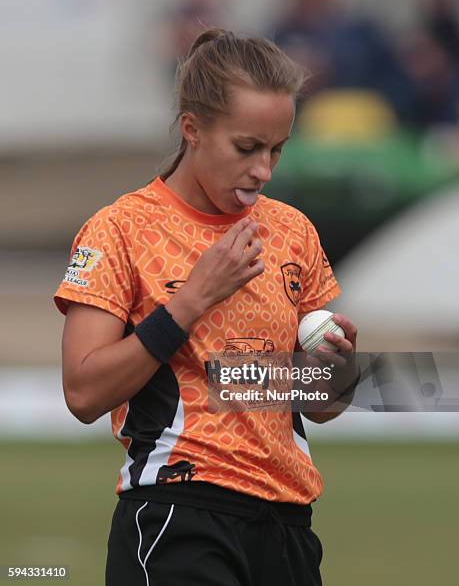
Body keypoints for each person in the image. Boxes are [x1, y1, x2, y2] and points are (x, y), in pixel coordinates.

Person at [54, 29, 359, 586]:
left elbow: (315, 406)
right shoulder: (119, 229)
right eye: (246, 148)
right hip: (178, 516)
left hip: (288, 525)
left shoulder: (293, 231)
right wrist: (192, 299)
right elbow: (82, 392)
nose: (263, 170)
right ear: (192, 129)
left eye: (276, 149)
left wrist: (335, 375)